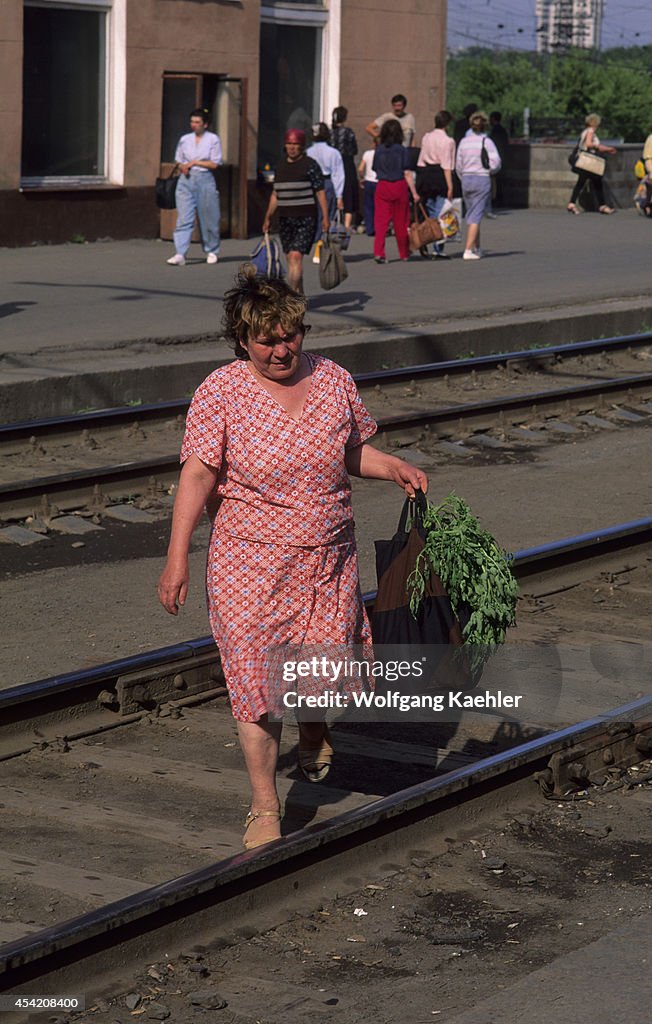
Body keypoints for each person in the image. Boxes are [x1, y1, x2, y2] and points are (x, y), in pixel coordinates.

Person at [157, 266, 428, 851]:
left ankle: (313, 731)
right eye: (267, 340)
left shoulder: (333, 380)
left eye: (291, 335)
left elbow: (352, 451)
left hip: (326, 559)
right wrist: (176, 558)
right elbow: (198, 475)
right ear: (242, 340)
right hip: (248, 563)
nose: (282, 349)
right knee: (257, 680)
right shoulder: (221, 392)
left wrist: (394, 467)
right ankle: (264, 804)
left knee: (316, 673)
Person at [262, 128, 329, 294]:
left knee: (295, 257)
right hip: (285, 218)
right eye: (289, 144)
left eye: (296, 144)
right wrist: (268, 217)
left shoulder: (310, 165)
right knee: (291, 260)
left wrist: (325, 218)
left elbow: (320, 192)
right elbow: (276, 193)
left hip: (305, 218)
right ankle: (300, 295)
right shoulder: (280, 166)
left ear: (302, 146)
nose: (292, 147)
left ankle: (290, 299)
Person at [166, 108, 223, 267]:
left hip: (204, 178)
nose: (194, 125)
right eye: (192, 122)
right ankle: (180, 253)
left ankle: (211, 249)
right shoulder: (185, 139)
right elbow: (179, 158)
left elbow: (215, 163)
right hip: (186, 179)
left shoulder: (213, 139)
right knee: (184, 217)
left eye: (198, 122)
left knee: (209, 216)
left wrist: (195, 162)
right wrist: (182, 166)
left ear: (205, 124)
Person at [455, 110, 500, 260]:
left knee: (473, 213)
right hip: (481, 178)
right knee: (476, 215)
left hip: (466, 179)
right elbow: (496, 163)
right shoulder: (487, 142)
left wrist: (462, 176)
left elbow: (458, 164)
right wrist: (489, 171)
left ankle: (476, 247)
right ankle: (468, 250)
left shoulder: (463, 142)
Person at [373, 119, 420, 263]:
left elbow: (375, 168)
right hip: (399, 185)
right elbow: (407, 173)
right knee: (401, 221)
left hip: (382, 185)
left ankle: (379, 252)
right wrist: (414, 192)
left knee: (381, 222)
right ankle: (404, 253)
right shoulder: (402, 150)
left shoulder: (379, 150)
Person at [416, 110, 455, 259]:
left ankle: (428, 238)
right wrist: (450, 186)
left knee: (430, 211)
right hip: (439, 175)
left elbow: (421, 159)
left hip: (426, 174)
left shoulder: (426, 137)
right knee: (441, 212)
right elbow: (447, 165)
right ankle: (438, 247)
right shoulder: (448, 141)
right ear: (447, 124)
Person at [567, 113, 617, 216]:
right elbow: (589, 144)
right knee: (596, 183)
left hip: (585, 162)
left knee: (586, 182)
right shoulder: (590, 131)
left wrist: (606, 149)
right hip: (589, 162)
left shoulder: (585, 131)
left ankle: (572, 204)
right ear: (594, 123)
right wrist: (605, 148)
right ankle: (602, 206)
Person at [306, 122, 345, 240]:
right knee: (326, 214)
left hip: (311, 183)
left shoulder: (308, 152)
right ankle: (322, 239)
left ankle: (312, 238)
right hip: (327, 183)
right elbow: (338, 174)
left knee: (312, 213)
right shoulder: (333, 152)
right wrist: (339, 196)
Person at [330, 106, 360, 229]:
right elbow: (355, 149)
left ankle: (332, 222)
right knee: (348, 192)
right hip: (347, 163)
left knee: (335, 191)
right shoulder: (348, 132)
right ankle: (347, 226)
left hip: (333, 165)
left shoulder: (330, 133)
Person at [488, 111, 509, 208]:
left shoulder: (495, 131)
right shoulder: (503, 130)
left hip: (496, 158)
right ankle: (499, 199)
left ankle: (496, 199)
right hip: (503, 157)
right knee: (499, 182)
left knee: (495, 182)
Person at [358, 140, 378, 236]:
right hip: (379, 182)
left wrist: (362, 178)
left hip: (369, 181)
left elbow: (360, 169)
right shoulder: (383, 154)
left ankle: (370, 228)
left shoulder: (367, 154)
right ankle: (379, 227)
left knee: (369, 206)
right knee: (379, 206)